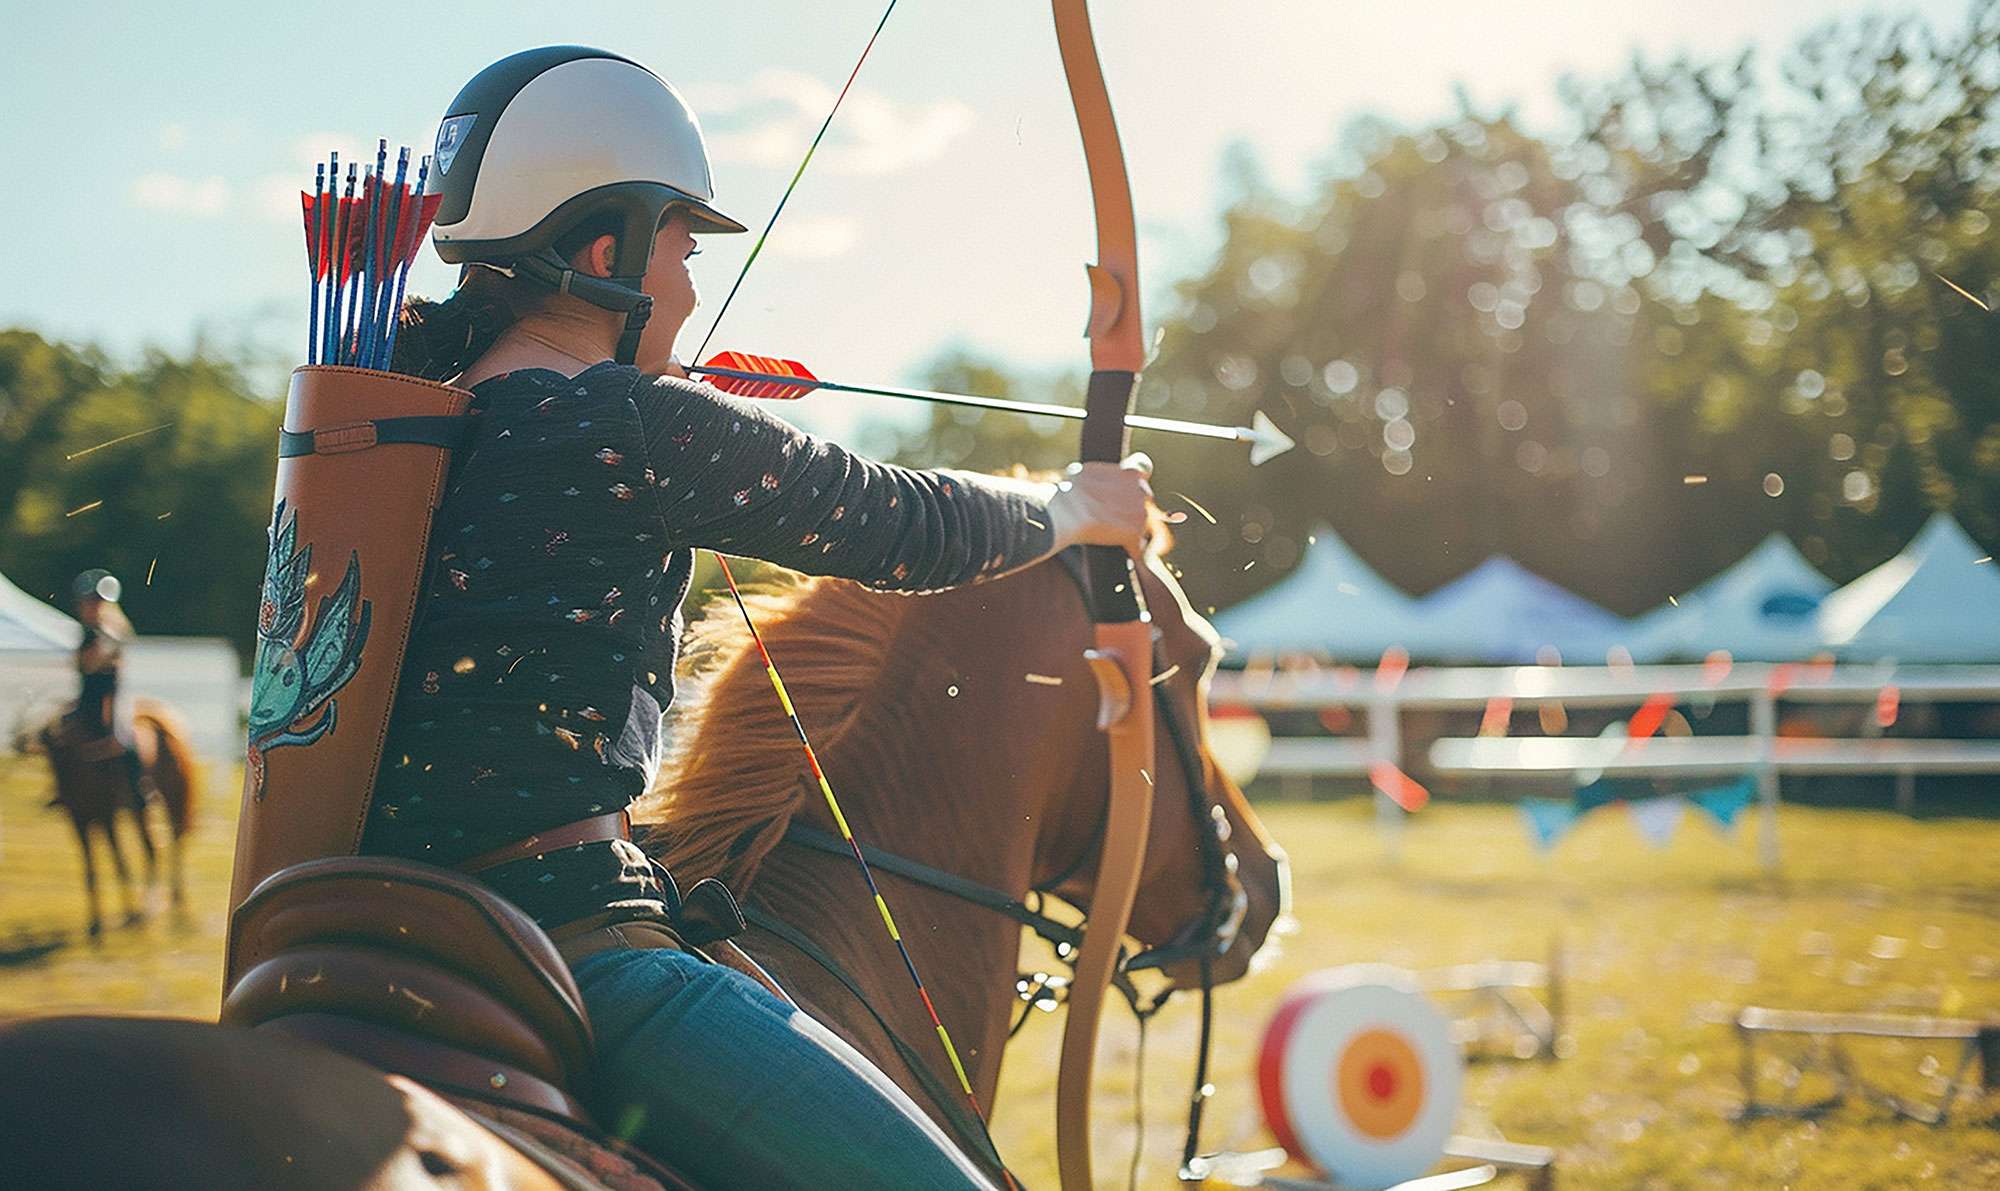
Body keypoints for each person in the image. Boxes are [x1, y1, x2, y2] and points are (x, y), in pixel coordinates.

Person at [370, 47, 1152, 1188]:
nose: (689, 283)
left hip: (342, 919)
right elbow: (905, 524)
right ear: (607, 252)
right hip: (560, 936)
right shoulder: (629, 423)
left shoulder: (388, 404)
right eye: (682, 246)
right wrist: (1069, 506)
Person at [66, 569, 148, 805]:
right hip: (88, 695)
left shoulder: (113, 631)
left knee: (123, 737)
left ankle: (138, 789)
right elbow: (84, 665)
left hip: (110, 696)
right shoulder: (89, 633)